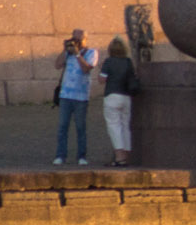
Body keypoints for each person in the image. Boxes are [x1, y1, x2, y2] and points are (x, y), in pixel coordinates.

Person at [52, 28, 98, 166]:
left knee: (80, 127)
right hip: (65, 95)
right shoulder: (69, 53)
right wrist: (64, 50)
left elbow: (86, 69)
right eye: (74, 38)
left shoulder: (92, 52)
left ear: (85, 39)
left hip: (81, 96)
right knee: (62, 127)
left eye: (78, 39)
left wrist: (78, 54)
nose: (75, 41)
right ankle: (60, 155)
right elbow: (57, 65)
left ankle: (81, 156)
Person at [100, 37, 139, 164]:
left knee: (114, 126)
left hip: (112, 96)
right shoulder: (128, 62)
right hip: (126, 97)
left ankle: (119, 156)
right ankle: (127, 155)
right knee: (125, 126)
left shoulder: (109, 62)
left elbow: (102, 79)